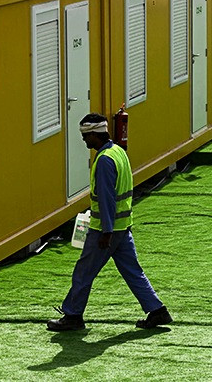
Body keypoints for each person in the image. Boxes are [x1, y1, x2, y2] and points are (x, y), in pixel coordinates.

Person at [47, 113, 171, 332]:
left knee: (83, 272)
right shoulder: (118, 152)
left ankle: (73, 315)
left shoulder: (104, 160)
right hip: (123, 227)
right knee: (133, 271)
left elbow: (106, 198)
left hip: (105, 231)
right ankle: (157, 310)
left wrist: (106, 232)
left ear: (95, 135)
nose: (84, 140)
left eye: (86, 136)